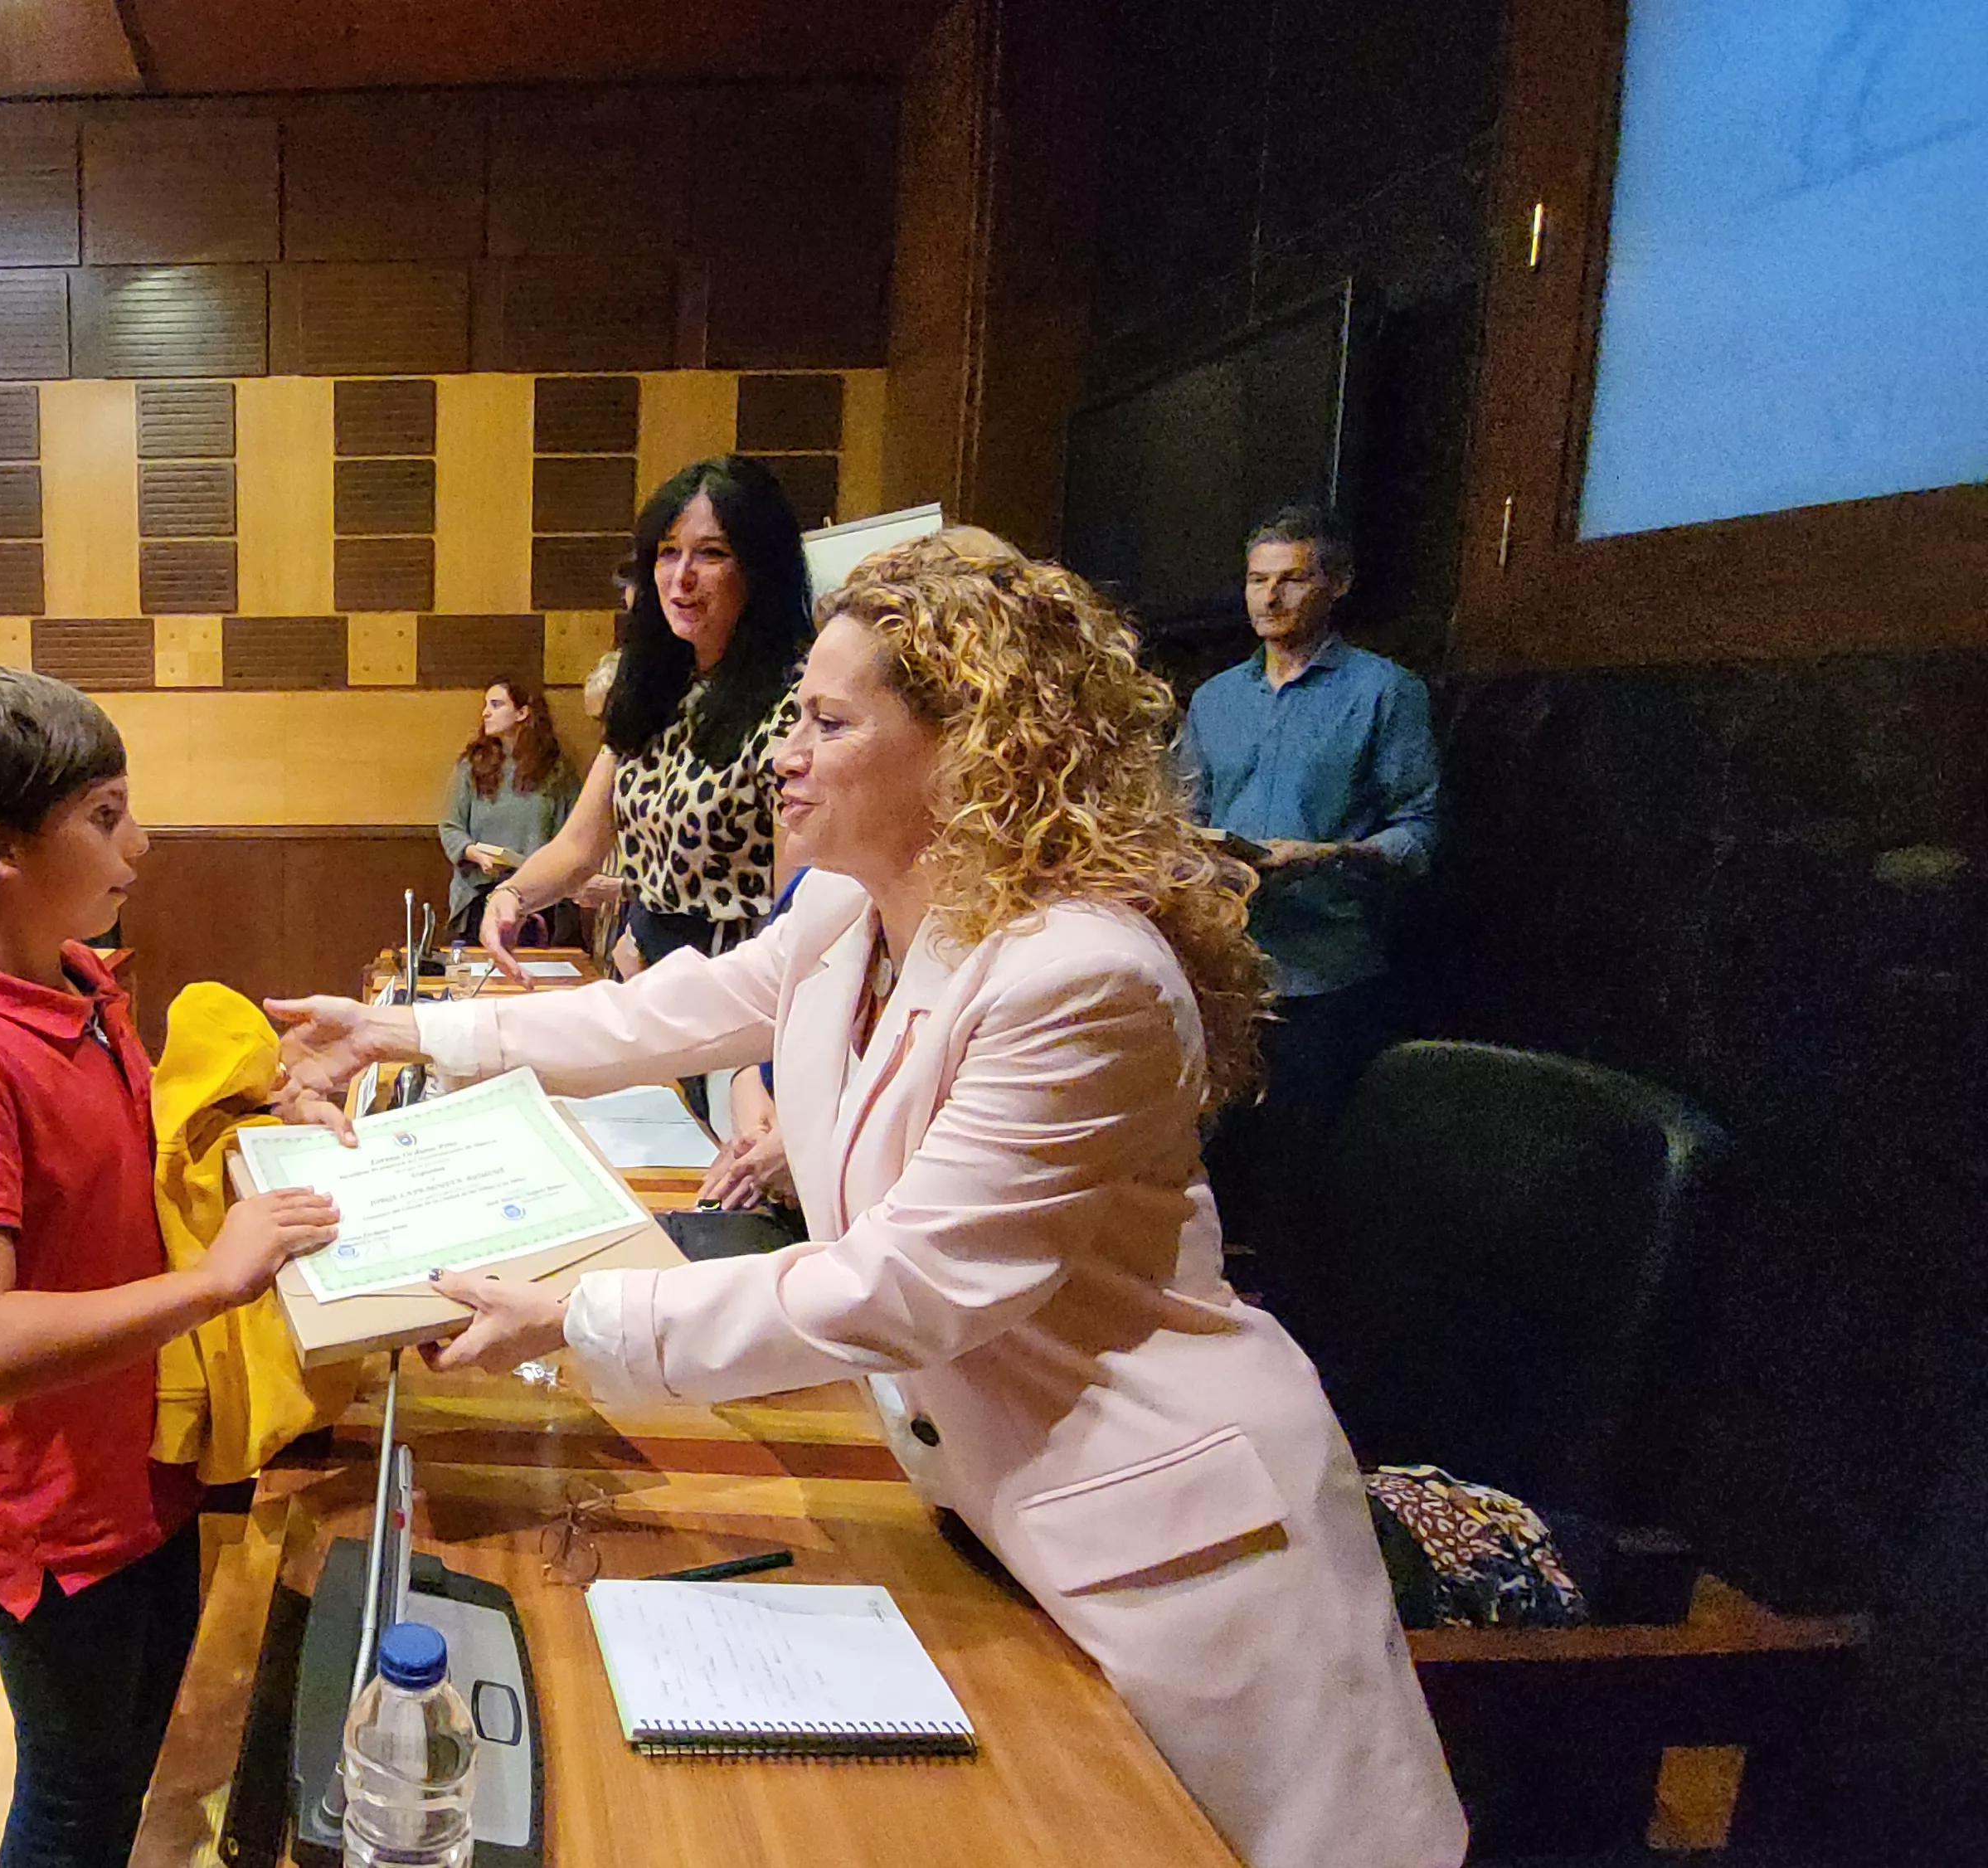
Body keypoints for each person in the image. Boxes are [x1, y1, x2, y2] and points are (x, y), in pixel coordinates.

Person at [268, 539, 1465, 1868]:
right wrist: (400, 1034)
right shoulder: (855, 905)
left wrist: (577, 1316)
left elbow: (909, 1285)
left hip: (1160, 1546)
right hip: (984, 1500)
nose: (787, 750)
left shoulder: (1081, 976)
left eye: (830, 722)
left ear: (974, 745)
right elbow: (675, 1010)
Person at [0, 663, 340, 1868]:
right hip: (52, 1519)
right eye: (106, 815)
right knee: (77, 1796)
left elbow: (124, 1182)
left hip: (141, 1466)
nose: (144, 839)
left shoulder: (80, 985)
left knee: (138, 1754)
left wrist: (271, 1111)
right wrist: (214, 1283)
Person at [1179, 506, 1441, 1268]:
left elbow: (1420, 831)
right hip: (1224, 968)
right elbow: (1181, 810)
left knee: (1302, 1187)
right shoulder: (1214, 699)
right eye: (1258, 581)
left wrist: (1327, 854)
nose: (1270, 599)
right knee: (1202, 1177)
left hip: (1326, 974)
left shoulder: (1385, 692)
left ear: (1338, 585)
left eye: (1293, 580)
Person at [475, 455, 813, 984]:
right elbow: (579, 847)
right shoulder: (654, 688)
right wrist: (511, 894)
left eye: (712, 554)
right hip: (643, 974)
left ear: (761, 568)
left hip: (736, 988)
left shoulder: (799, 701)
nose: (681, 578)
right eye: (667, 553)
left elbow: (799, 913)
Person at [437, 677, 571, 931]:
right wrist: (473, 853)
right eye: (486, 705)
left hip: (536, 896)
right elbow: (450, 827)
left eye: (496, 705)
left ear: (522, 712)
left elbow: (571, 830)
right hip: (480, 891)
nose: (486, 713)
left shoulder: (556, 769)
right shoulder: (471, 766)